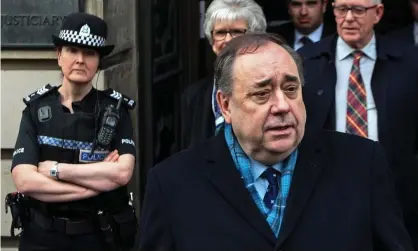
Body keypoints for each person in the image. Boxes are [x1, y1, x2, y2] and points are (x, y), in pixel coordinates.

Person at [138, 33, 413, 251]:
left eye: (291, 89)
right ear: (225, 105)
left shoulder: (362, 164)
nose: (282, 106)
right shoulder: (172, 185)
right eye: (262, 93)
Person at [10, 12, 137, 251]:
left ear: (99, 61)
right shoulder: (36, 109)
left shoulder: (116, 110)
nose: (80, 59)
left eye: (89, 53)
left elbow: (121, 174)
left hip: (99, 238)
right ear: (59, 56)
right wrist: (95, 183)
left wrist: (56, 170)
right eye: (72, 50)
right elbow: (25, 181)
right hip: (42, 238)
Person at [298, 0, 418, 248]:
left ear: (378, 13)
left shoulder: (409, 62)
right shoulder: (308, 62)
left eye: (358, 10)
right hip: (327, 190)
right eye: (342, 9)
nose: (349, 18)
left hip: (396, 191)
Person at [180, 0, 267, 149]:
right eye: (220, 32)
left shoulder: (271, 91)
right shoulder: (193, 95)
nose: (227, 39)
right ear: (211, 40)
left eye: (237, 32)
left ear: (255, 38)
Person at [267, 0, 335, 50]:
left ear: (324, 6)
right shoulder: (273, 38)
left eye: (311, 4)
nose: (303, 12)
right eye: (296, 4)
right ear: (288, 7)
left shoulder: (338, 37)